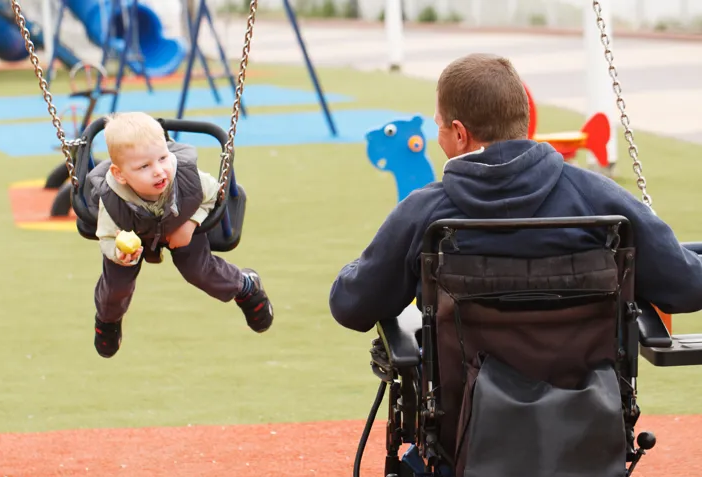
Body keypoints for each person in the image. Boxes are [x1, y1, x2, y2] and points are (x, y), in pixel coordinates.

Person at [329, 53, 702, 332]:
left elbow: (352, 305)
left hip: (463, 424)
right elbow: (685, 286)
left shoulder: (425, 213)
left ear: (459, 134)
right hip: (590, 418)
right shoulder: (599, 199)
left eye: (439, 126)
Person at [87, 112, 274, 357]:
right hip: (130, 229)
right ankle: (108, 320)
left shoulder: (185, 176)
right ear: (120, 174)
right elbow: (107, 237)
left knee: (200, 270)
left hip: (181, 218)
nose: (158, 171)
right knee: (116, 286)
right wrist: (120, 253)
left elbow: (213, 195)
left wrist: (191, 223)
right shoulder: (112, 197)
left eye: (163, 157)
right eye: (144, 166)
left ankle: (246, 286)